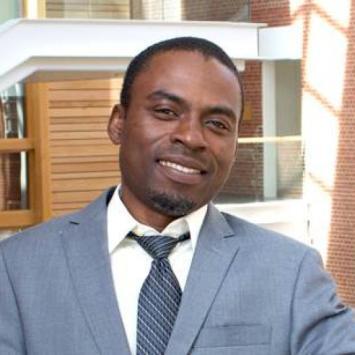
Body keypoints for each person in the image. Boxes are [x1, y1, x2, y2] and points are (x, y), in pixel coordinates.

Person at [0, 37, 355, 355]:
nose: (192, 137)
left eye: (217, 124)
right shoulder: (16, 269)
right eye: (166, 112)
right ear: (118, 123)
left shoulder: (290, 271)